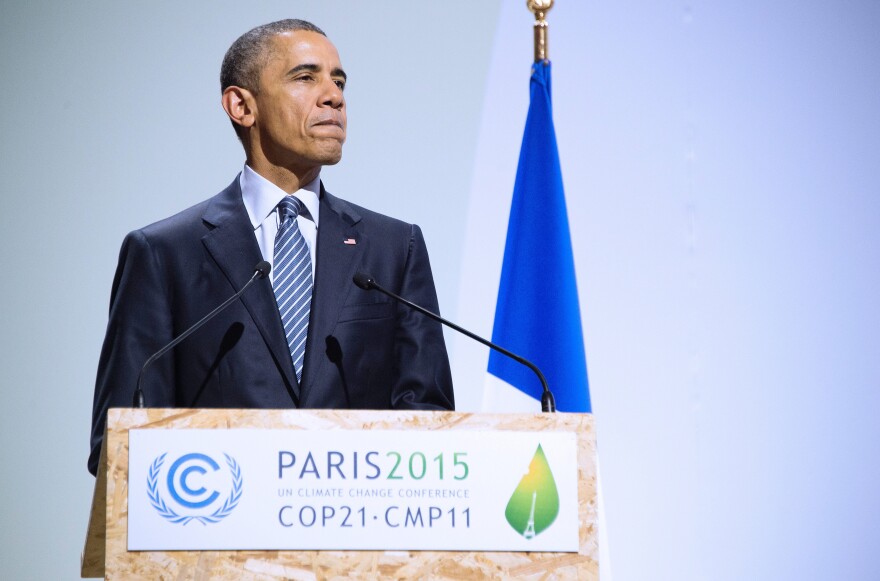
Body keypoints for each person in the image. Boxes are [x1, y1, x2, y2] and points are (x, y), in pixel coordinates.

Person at [88, 19, 454, 475]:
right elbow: (121, 438)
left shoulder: (394, 249)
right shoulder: (164, 253)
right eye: (306, 77)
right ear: (241, 105)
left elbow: (430, 420)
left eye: (338, 81)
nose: (334, 96)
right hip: (215, 531)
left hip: (357, 530)